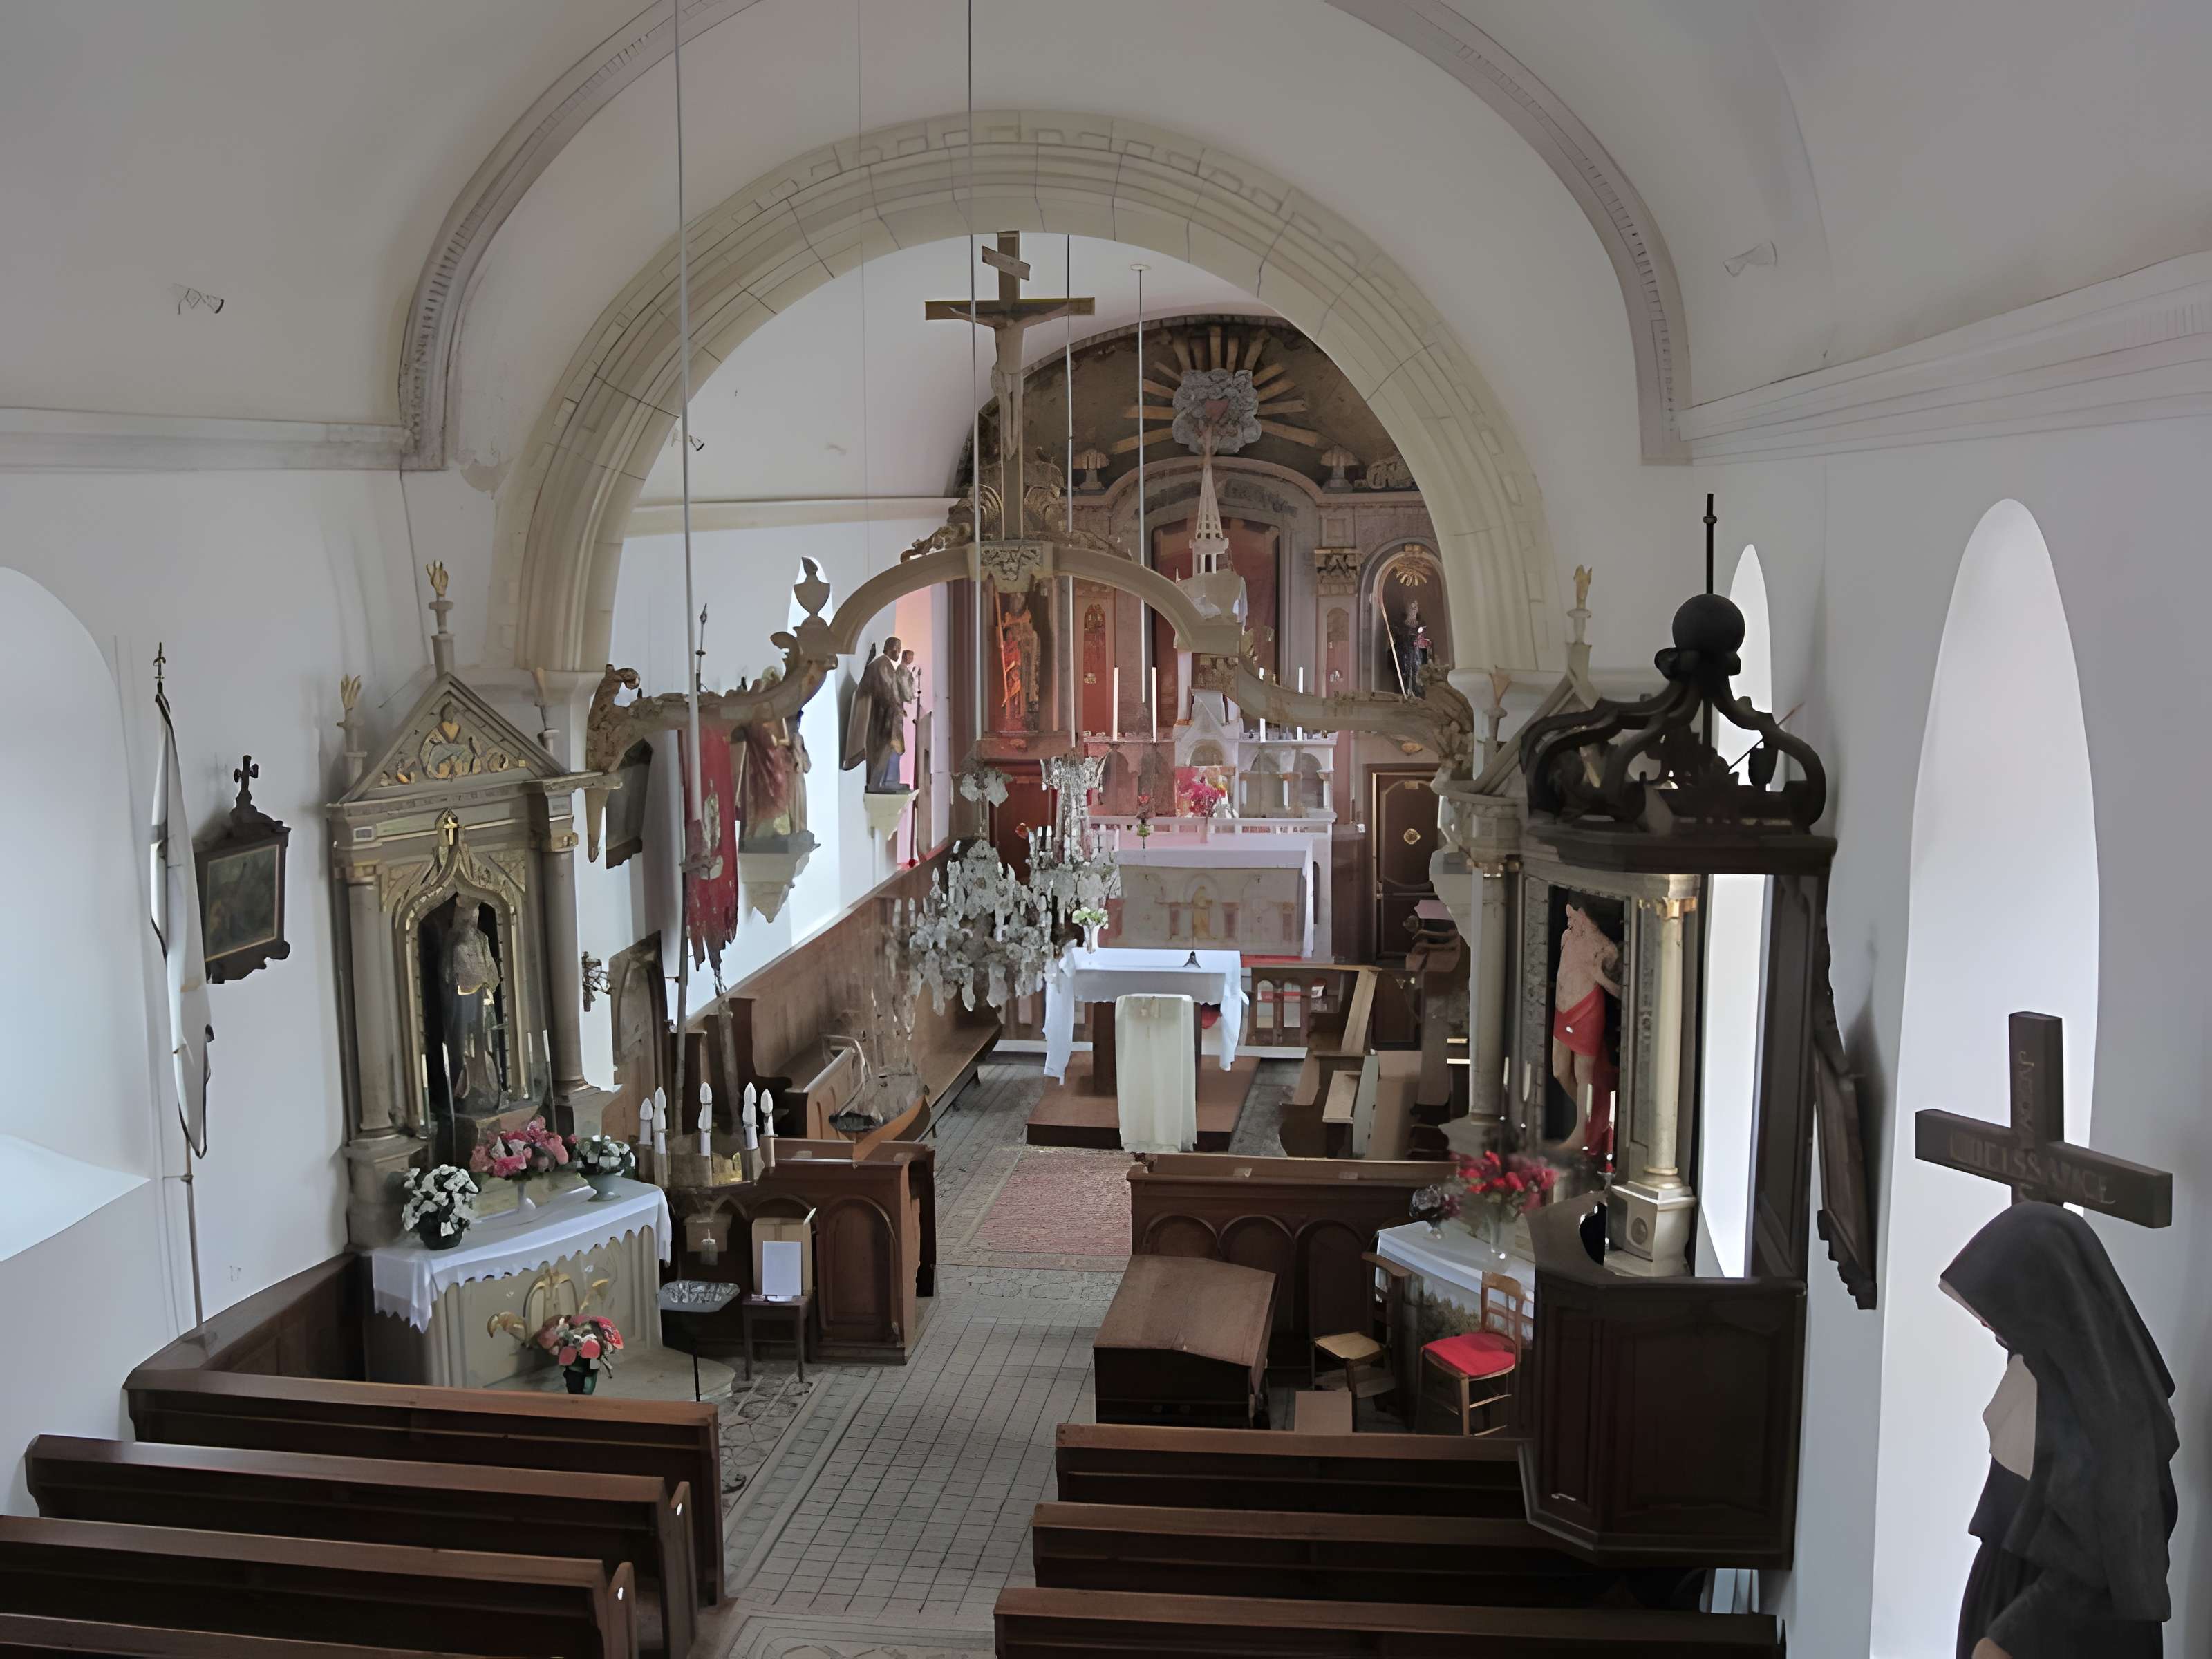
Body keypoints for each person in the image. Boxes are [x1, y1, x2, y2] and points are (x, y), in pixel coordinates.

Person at [1942, 1202, 2177, 1659]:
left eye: (1998, 1304)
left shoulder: (2114, 1412)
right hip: (2007, 1591)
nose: (1989, 1322)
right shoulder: (2036, 1365)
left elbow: (2111, 1565)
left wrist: (2008, 1639)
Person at [1549, 903, 1620, 1155]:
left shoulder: (1596, 945)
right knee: (1559, 1069)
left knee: (1584, 1076)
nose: (1571, 923)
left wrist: (1627, 993)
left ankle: (1581, 1132)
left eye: (1576, 919)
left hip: (1587, 1010)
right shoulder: (1567, 937)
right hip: (1563, 1009)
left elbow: (1609, 972)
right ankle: (1593, 1118)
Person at [841, 636, 906, 790]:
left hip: (886, 716)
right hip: (880, 720)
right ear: (891, 648)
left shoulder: (887, 665)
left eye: (900, 648)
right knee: (883, 748)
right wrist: (895, 705)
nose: (899, 652)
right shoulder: (881, 664)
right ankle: (877, 783)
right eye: (897, 648)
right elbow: (885, 689)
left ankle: (885, 782)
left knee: (890, 748)